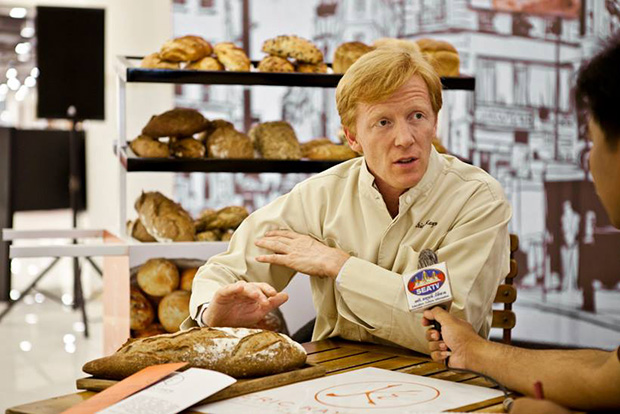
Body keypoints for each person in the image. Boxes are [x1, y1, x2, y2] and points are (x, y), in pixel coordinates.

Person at [183, 47, 512, 353]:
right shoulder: (323, 194)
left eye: (417, 116)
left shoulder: (477, 199)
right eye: (383, 122)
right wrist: (212, 310)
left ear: (435, 121)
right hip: (336, 375)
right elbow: (230, 269)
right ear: (352, 137)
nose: (405, 139)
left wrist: (338, 265)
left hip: (446, 378)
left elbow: (445, 329)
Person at [422, 32, 620, 412]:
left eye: (593, 143)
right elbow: (609, 375)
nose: (590, 163)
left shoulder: (479, 194)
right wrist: (473, 350)